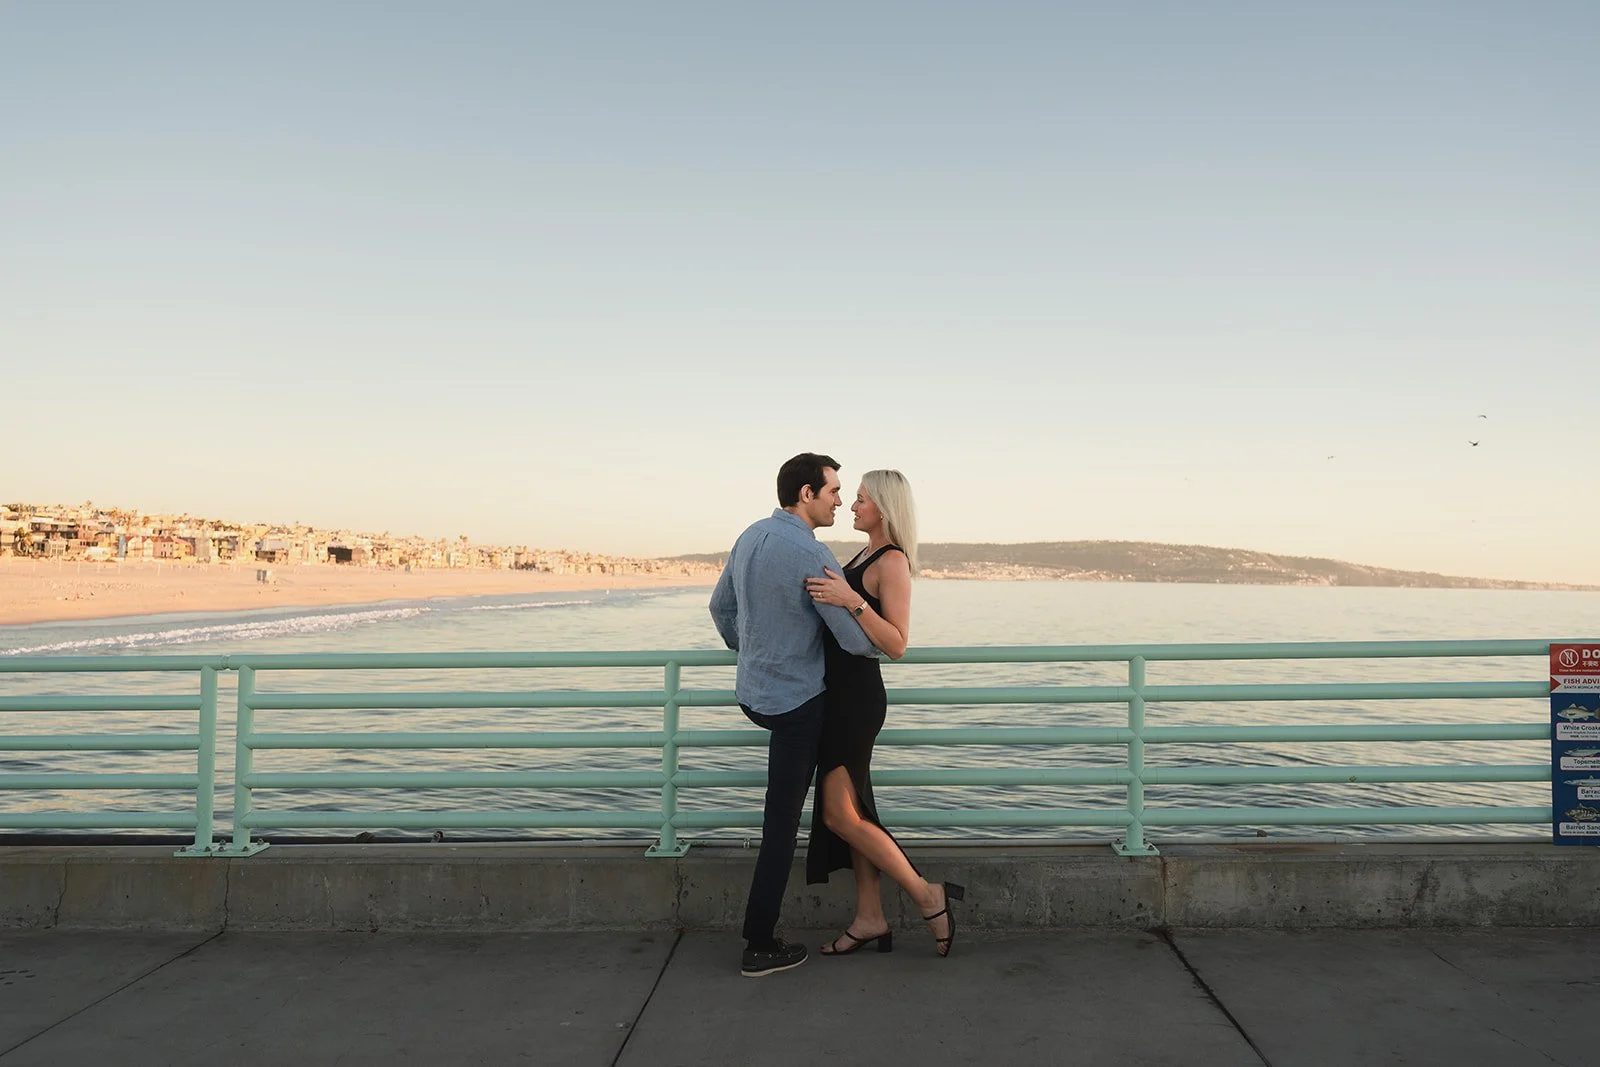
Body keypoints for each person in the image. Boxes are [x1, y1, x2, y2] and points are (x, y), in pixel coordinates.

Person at [708, 452, 881, 978]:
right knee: (780, 825)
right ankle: (759, 943)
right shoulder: (810, 551)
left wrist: (753, 653)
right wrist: (879, 638)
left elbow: (721, 609)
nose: (837, 500)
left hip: (754, 696)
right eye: (832, 491)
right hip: (797, 705)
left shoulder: (750, 535)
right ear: (806, 494)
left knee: (796, 810)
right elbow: (854, 641)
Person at [803, 469, 964, 958]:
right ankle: (871, 918)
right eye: (851, 498)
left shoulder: (891, 561)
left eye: (860, 500)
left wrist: (853, 602)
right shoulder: (863, 553)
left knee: (838, 814)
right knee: (857, 811)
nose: (852, 507)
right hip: (835, 696)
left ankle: (925, 894)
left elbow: (896, 643)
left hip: (854, 703)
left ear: (885, 507)